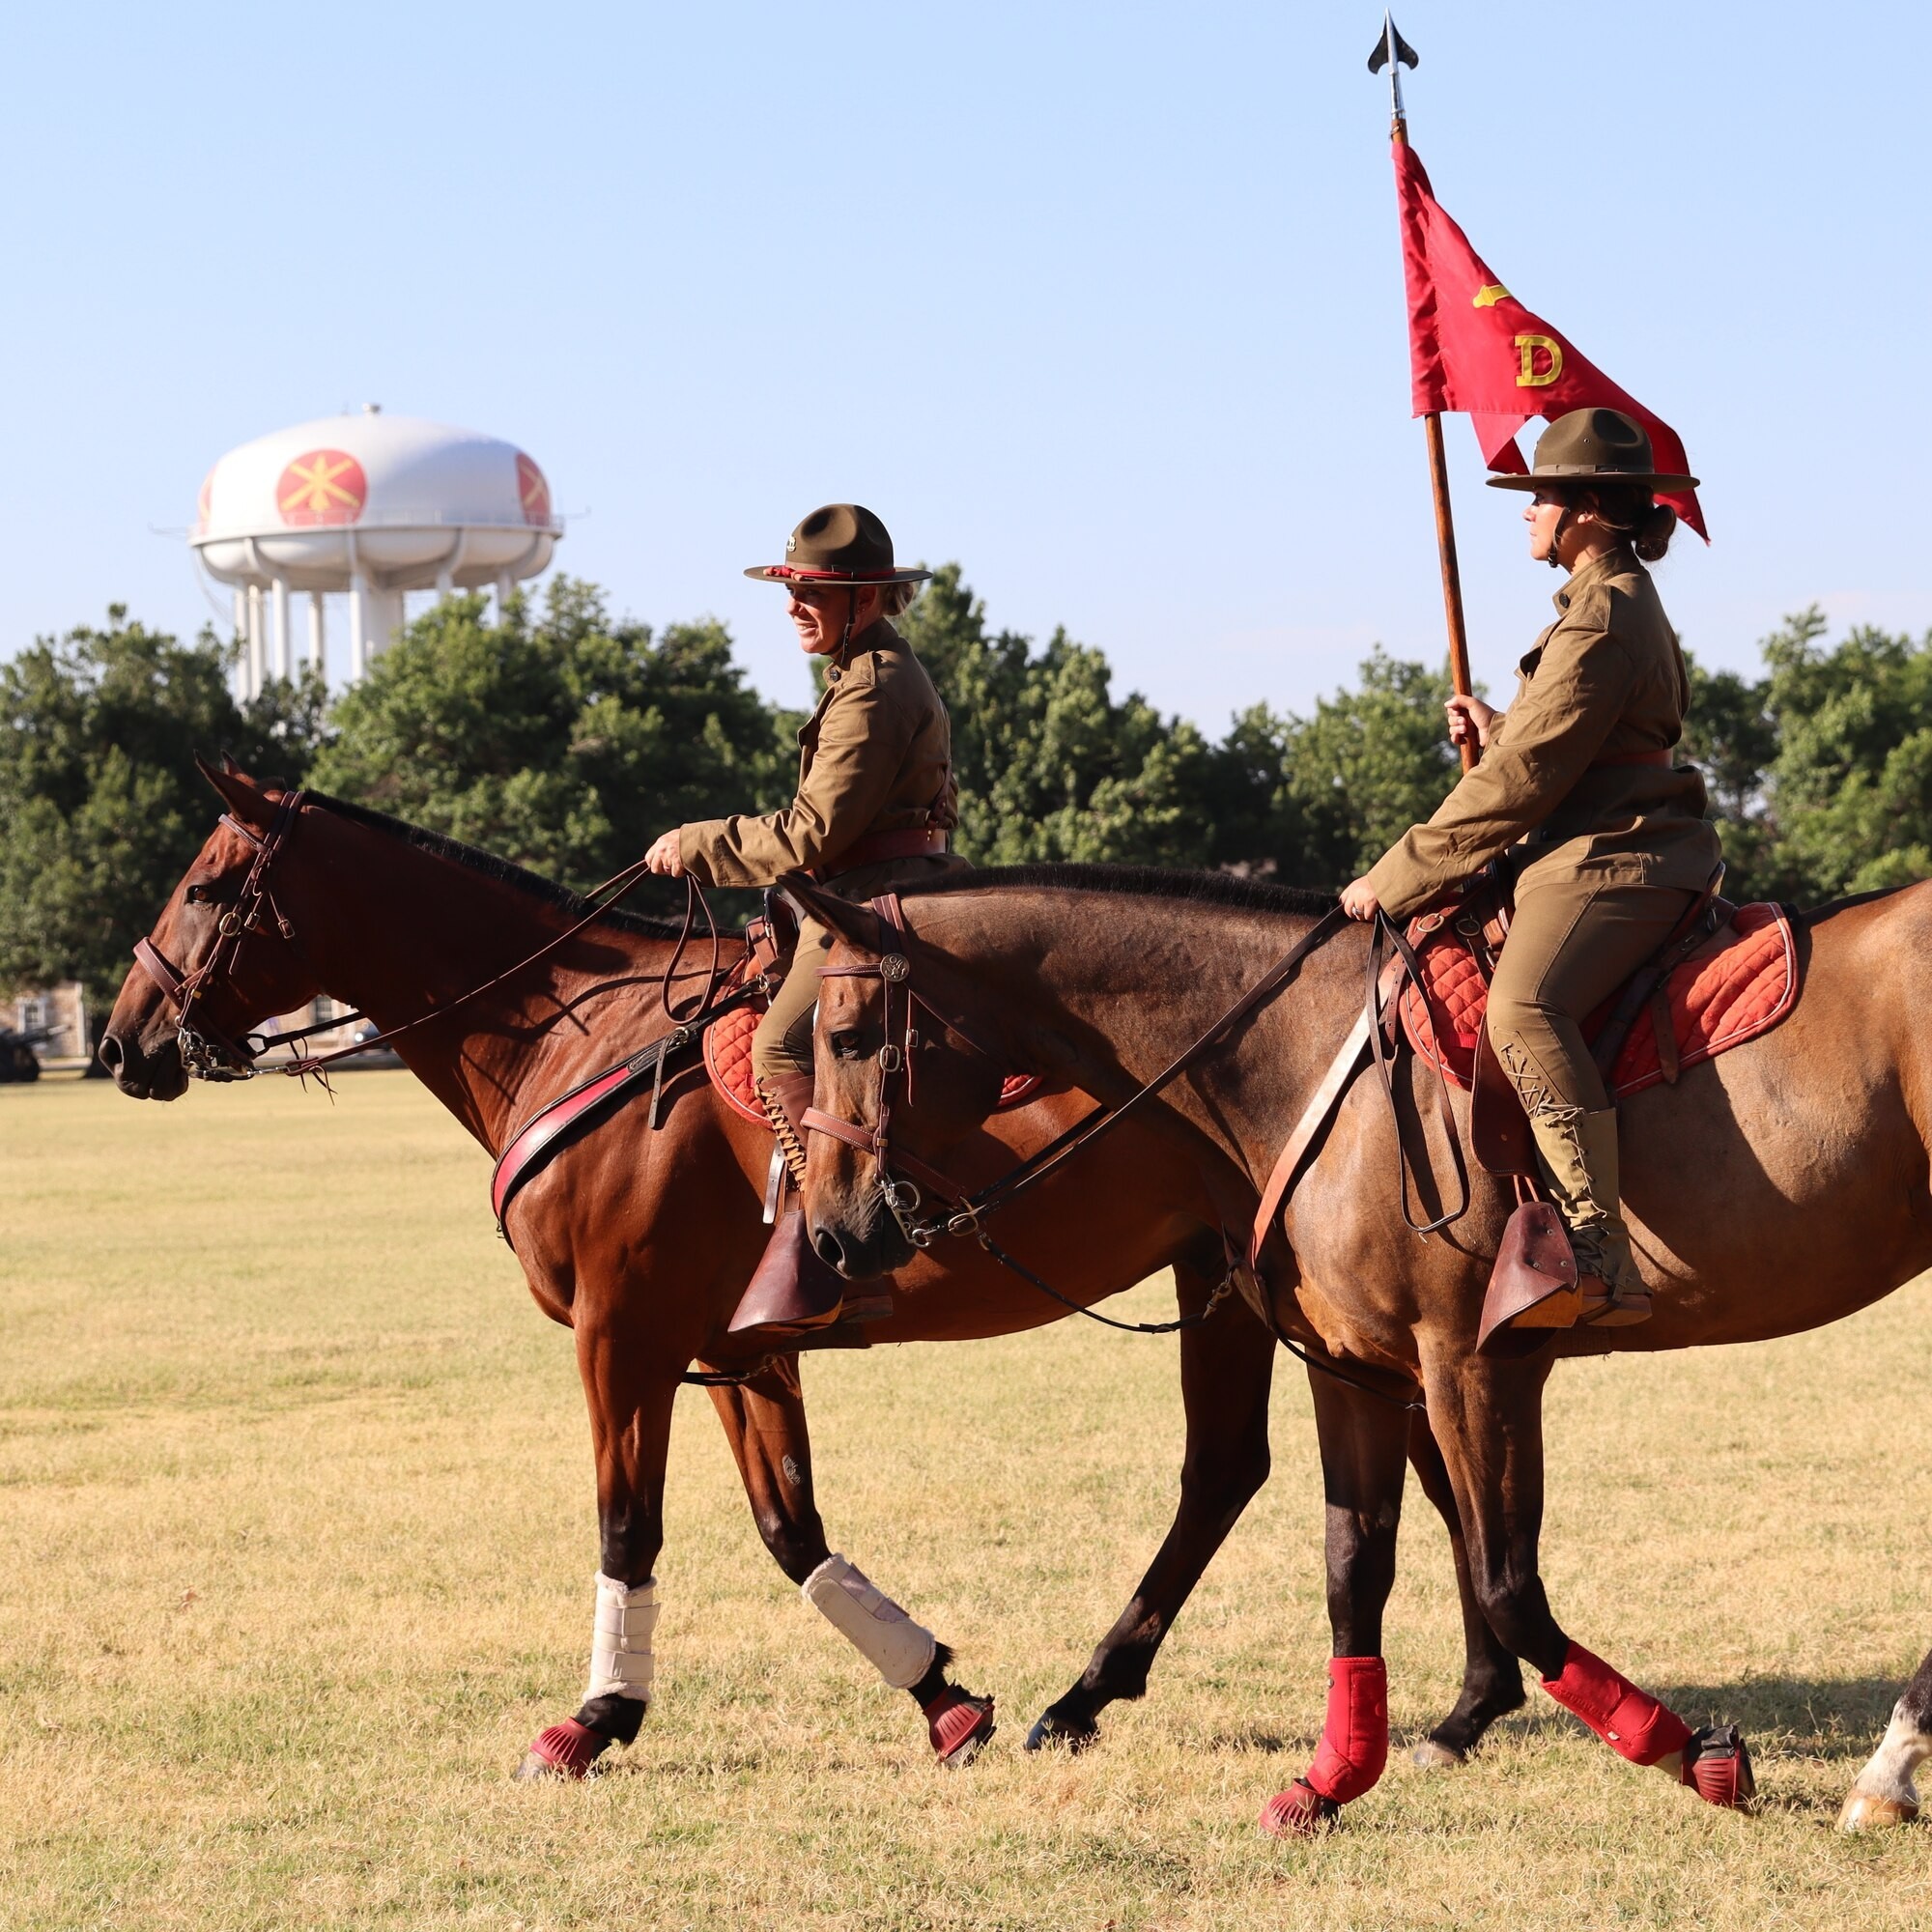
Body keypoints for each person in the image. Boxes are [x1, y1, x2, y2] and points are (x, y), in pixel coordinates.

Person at [1340, 408, 1720, 1336]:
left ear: (1589, 508)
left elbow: (1523, 785)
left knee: (1522, 1010)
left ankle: (1597, 1249)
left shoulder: (1601, 616)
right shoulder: (1608, 603)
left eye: (1542, 496)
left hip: (1614, 860)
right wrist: (1499, 725)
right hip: (1599, 845)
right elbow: (1566, 746)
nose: (1528, 512)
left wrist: (1391, 879)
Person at [643, 503, 965, 1344]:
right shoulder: (864, 674)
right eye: (789, 588)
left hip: (870, 899)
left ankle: (832, 1259)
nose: (792, 606)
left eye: (811, 591)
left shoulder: (874, 687)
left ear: (864, 599)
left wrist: (699, 841)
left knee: (779, 1048)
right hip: (854, 890)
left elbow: (811, 832)